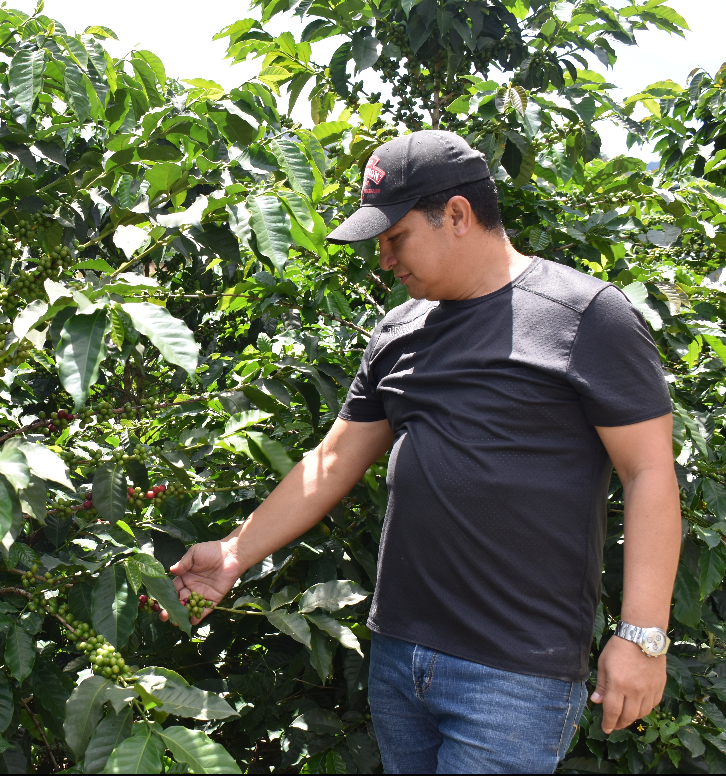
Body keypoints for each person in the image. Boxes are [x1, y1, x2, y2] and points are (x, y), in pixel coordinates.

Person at [160, 130, 681, 774]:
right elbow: (333, 460)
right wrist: (236, 552)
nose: (384, 260)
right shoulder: (400, 328)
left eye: (395, 237)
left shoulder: (584, 315)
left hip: (514, 672)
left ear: (457, 215)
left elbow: (650, 471)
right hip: (401, 656)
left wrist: (642, 637)